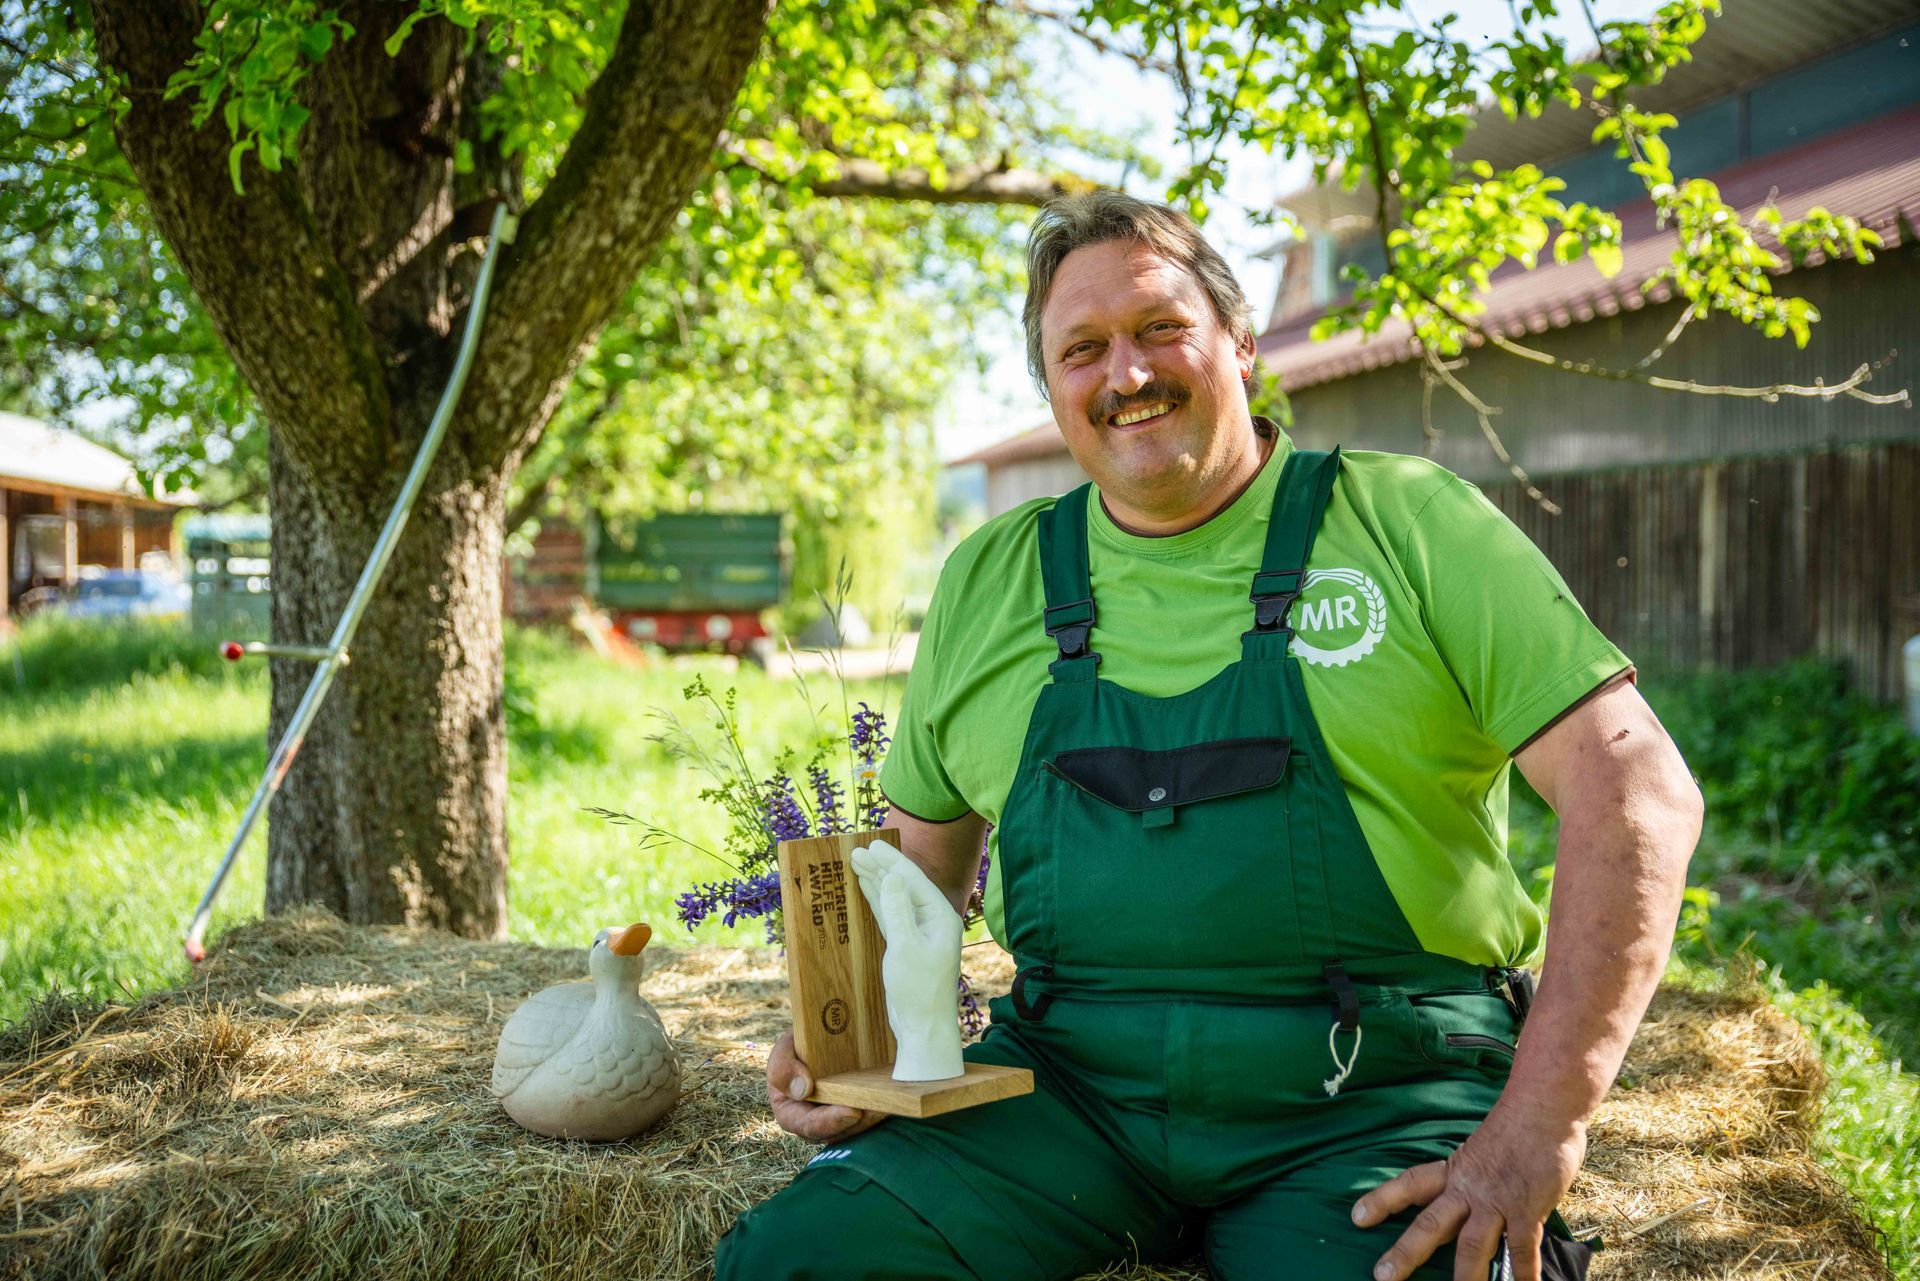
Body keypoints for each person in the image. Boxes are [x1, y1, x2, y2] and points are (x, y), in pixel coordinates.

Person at [714, 191, 1703, 1281]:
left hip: (1374, 1093)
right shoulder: (990, 579)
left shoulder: (1409, 524)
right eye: (1082, 349)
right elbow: (914, 871)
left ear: (1239, 339)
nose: (1127, 374)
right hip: (1067, 1095)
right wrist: (854, 1044)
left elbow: (1637, 793)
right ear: (1051, 388)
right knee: (799, 1260)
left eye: (1160, 328)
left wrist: (1539, 1130)